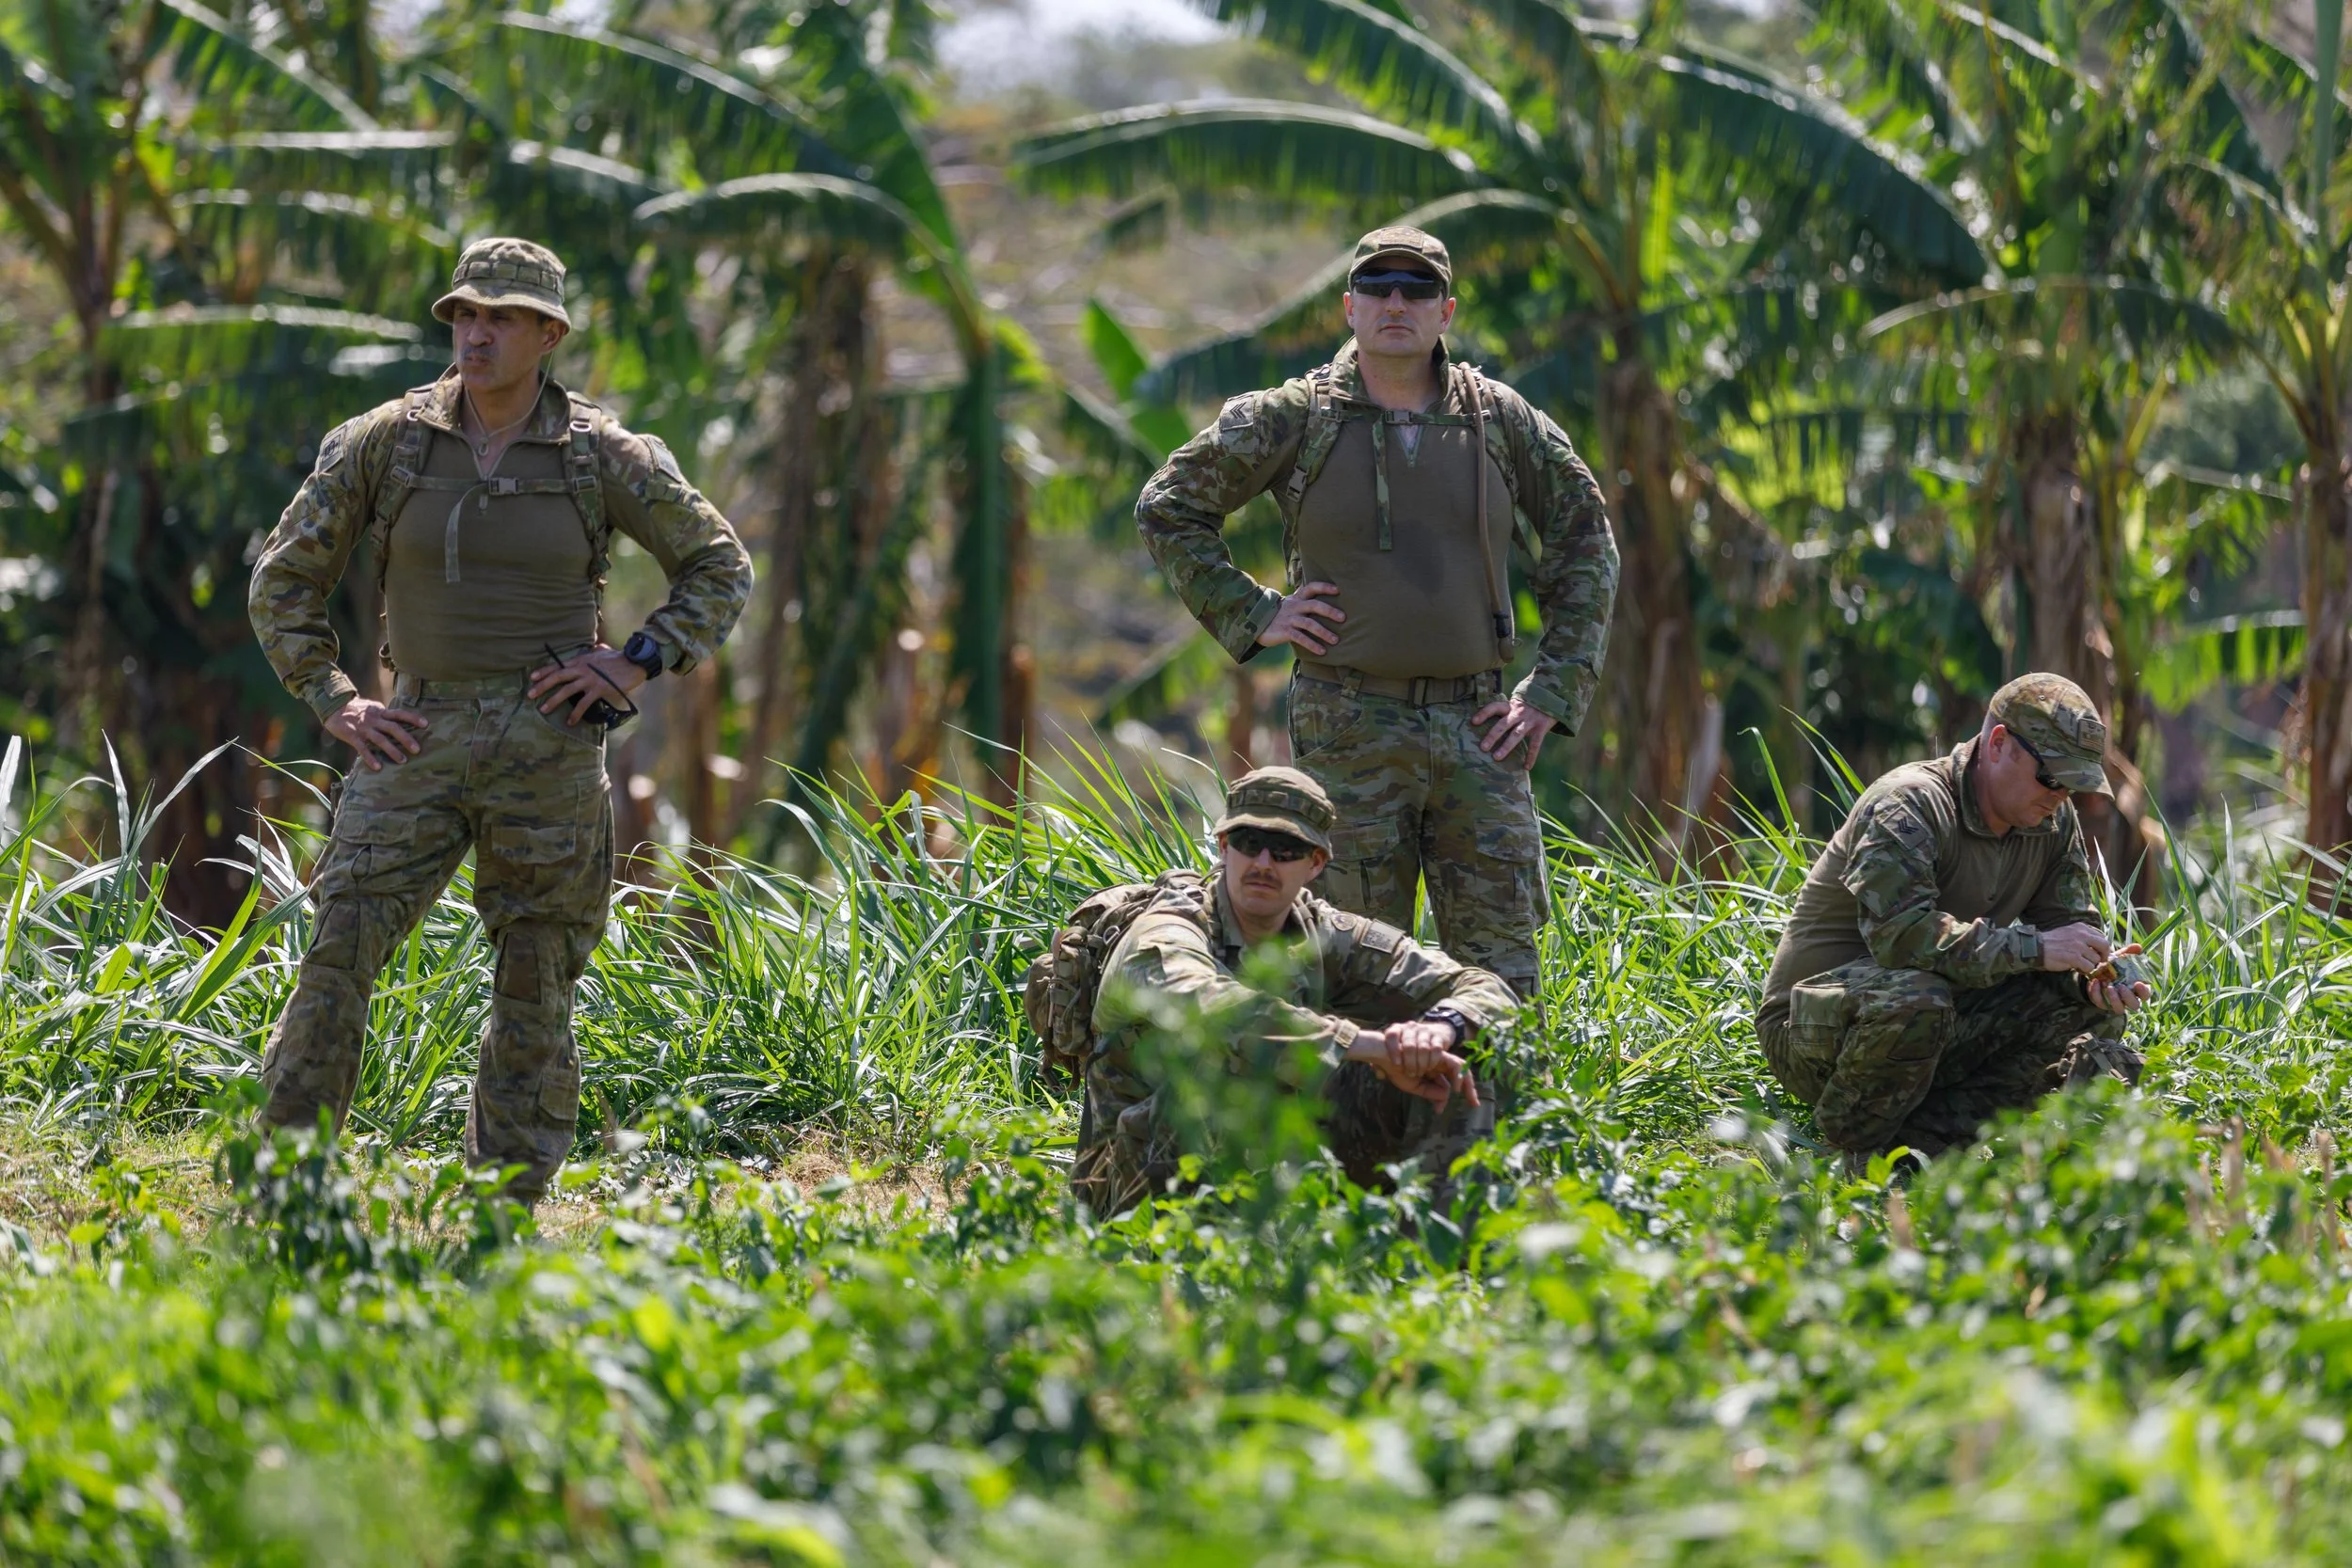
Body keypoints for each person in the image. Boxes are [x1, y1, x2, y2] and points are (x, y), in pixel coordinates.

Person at [246, 237, 754, 1202]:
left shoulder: (602, 452)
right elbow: (283, 580)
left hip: (547, 741)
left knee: (535, 971)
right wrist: (335, 698)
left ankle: (504, 1205)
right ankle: (286, 1180)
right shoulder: (385, 441)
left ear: (547, 335)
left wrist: (636, 659)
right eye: (465, 316)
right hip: (414, 730)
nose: (476, 335)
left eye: (502, 318)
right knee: (339, 942)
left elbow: (720, 563)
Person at [1134, 227, 1618, 996]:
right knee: (1349, 966)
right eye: (1378, 286)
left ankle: (1498, 1081)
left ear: (1446, 311)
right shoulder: (1296, 416)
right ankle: (1354, 1079)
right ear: (1349, 306)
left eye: (1418, 289)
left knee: (1501, 975)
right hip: (1348, 722)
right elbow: (1168, 505)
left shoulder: (1499, 419)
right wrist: (1254, 613)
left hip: (1481, 728)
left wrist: (1552, 690)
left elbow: (1586, 535)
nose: (1397, 301)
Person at [1076, 766, 1521, 1217]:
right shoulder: (1167, 928)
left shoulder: (1324, 932)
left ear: (1316, 864)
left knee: (1457, 1059)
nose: (1264, 864)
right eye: (1249, 842)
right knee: (1217, 1068)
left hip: (1273, 1166)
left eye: (1286, 849)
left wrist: (1437, 1032)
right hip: (1130, 1185)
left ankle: (1434, 1245)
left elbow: (1485, 989)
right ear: (1225, 847)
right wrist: (1364, 1044)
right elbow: (1210, 1007)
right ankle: (1192, 1255)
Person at [1755, 674, 2154, 1162]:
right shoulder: (1908, 805)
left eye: (2074, 784)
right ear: (1999, 743)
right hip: (1813, 1030)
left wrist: (2093, 975)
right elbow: (1901, 938)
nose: (2060, 795)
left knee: (2087, 1011)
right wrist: (2037, 949)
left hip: (1940, 1015)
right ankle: (1851, 1149)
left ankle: (1930, 1141)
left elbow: (2068, 927)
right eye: (2052, 777)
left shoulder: (2051, 821)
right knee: (1917, 996)